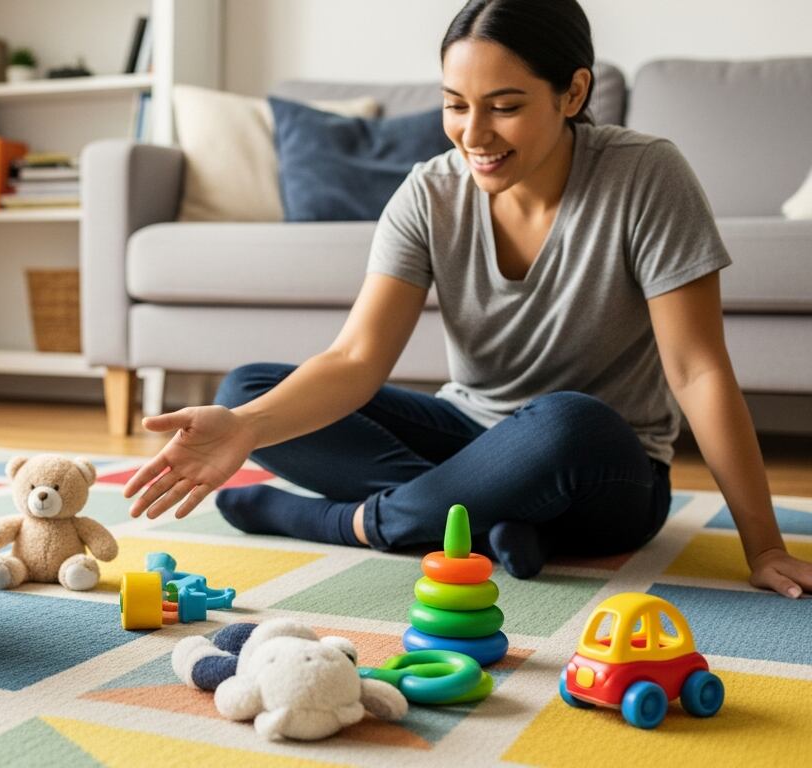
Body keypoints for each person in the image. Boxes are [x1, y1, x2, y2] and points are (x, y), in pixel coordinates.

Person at [124, 0, 811, 598]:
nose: (474, 135)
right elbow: (357, 358)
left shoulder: (646, 175)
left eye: (505, 108)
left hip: (605, 468)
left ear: (573, 93)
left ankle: (351, 522)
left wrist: (764, 546)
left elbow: (697, 371)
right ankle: (489, 518)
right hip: (472, 435)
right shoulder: (429, 192)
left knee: (568, 422)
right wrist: (246, 429)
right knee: (251, 389)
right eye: (456, 105)